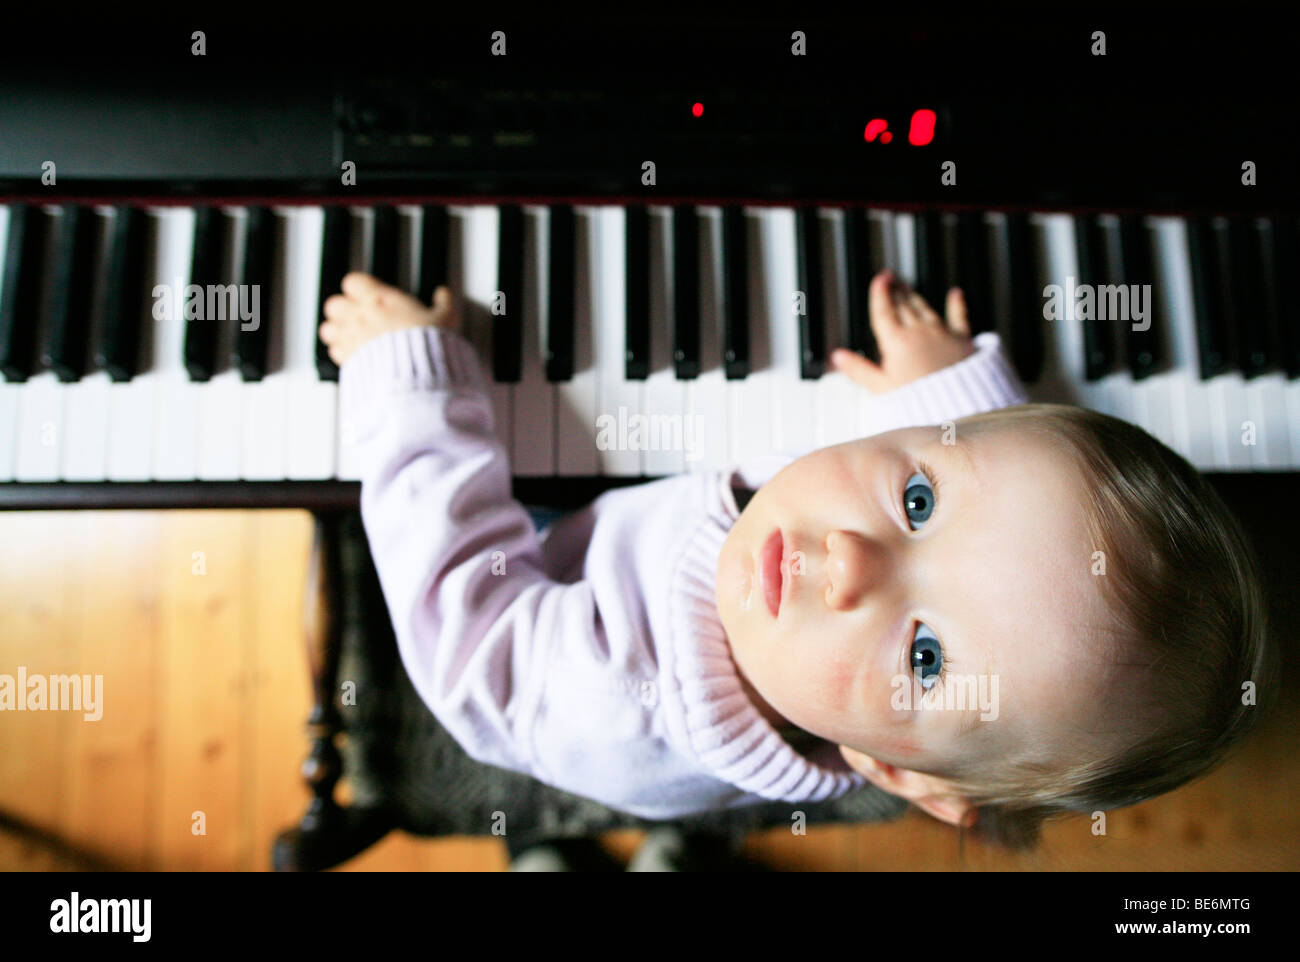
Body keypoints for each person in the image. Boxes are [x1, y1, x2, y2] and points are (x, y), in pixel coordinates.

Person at [318, 266, 1273, 854]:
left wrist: (413, 391)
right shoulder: (831, 588)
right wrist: (957, 388)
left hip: (547, 568)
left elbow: (462, 626)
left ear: (894, 772)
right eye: (918, 500)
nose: (853, 559)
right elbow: (1017, 520)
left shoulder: (611, 698)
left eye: (926, 658)